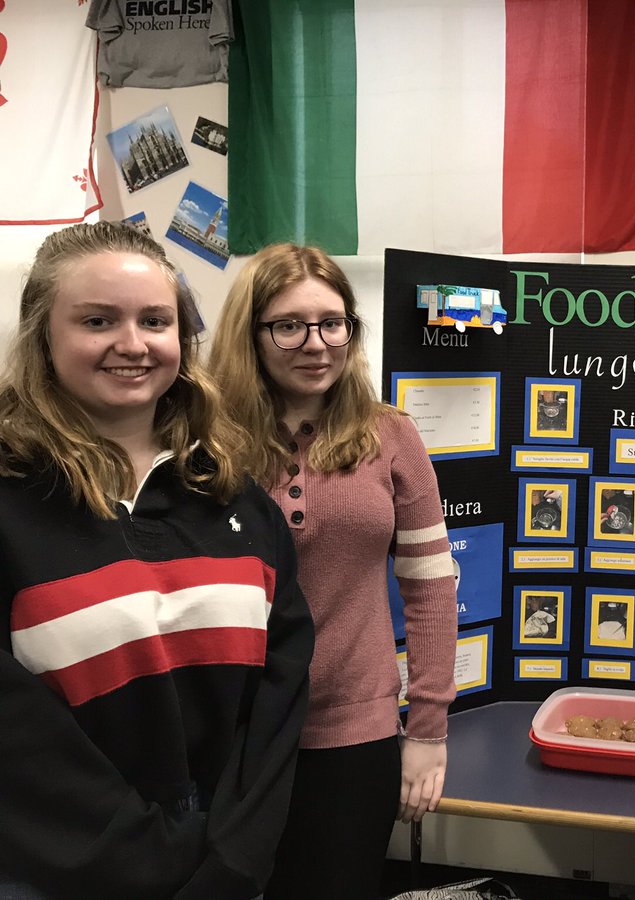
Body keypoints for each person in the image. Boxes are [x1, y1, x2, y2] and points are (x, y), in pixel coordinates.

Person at [0, 222, 314, 898]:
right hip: (59, 872)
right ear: (43, 335)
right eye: (97, 320)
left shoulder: (238, 502)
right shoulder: (11, 501)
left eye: (155, 320)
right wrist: (153, 856)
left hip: (226, 871)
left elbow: (278, 703)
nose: (133, 344)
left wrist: (233, 855)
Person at [210, 243, 458, 900]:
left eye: (333, 321)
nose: (316, 343)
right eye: (289, 324)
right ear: (250, 334)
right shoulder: (204, 442)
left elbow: (431, 589)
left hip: (353, 734)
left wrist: (428, 729)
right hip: (229, 737)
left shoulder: (391, 437)